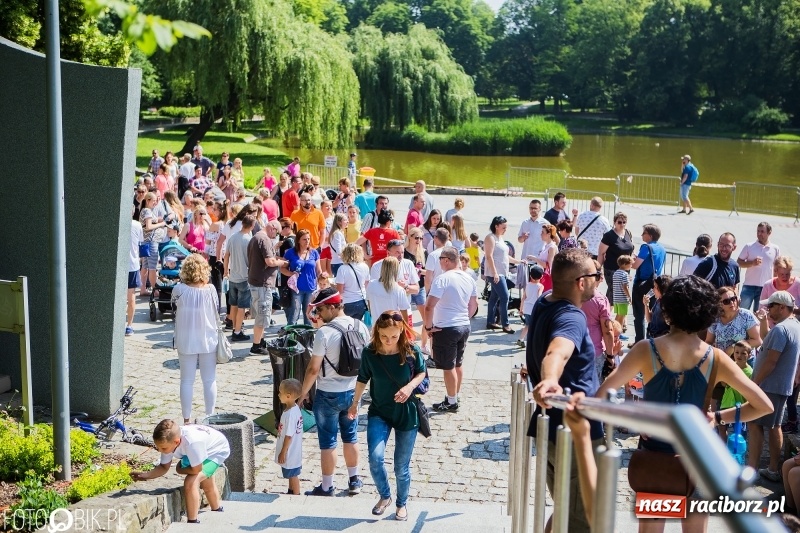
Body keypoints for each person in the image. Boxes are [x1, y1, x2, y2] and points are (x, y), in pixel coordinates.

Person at [559, 276, 772, 532]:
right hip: (697, 457)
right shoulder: (716, 358)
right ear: (707, 314)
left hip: (655, 456)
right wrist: (717, 418)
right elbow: (763, 405)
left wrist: (636, 417)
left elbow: (602, 396)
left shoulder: (646, 350)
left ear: (668, 311)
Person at [528, 248, 605, 533]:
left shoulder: (545, 301)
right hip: (573, 432)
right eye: (596, 275)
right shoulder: (572, 316)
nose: (599, 279)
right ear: (581, 283)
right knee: (580, 521)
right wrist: (550, 379)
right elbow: (557, 352)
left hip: (552, 429)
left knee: (565, 511)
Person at [348, 312, 427, 521]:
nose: (389, 341)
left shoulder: (411, 350)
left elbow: (421, 372)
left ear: (401, 332)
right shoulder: (370, 352)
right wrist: (354, 404)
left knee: (401, 467)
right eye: (384, 336)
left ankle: (401, 503)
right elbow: (362, 378)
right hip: (379, 411)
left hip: (406, 413)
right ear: (377, 333)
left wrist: (409, 387)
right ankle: (385, 496)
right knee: (375, 458)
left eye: (393, 336)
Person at [300, 288, 370, 496]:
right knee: (351, 436)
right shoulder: (360, 326)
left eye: (320, 310)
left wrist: (303, 394)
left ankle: (327, 486)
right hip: (352, 392)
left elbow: (313, 369)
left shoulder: (325, 333)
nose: (319, 315)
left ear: (332, 307)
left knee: (328, 441)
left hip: (327, 393)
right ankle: (354, 480)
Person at [131, 419, 229, 524]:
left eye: (163, 448)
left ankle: (192, 521)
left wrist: (179, 470)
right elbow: (163, 467)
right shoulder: (169, 441)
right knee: (206, 482)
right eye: (158, 447)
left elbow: (197, 469)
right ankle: (217, 508)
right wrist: (145, 475)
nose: (160, 450)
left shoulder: (192, 442)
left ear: (176, 442)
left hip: (216, 451)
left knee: (191, 482)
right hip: (202, 449)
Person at [750, 291, 800, 482]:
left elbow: (771, 361)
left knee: (755, 424)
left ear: (782, 307)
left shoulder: (781, 329)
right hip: (778, 386)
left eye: (771, 306)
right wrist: (764, 321)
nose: (768, 309)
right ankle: (772, 469)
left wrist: (754, 384)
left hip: (769, 386)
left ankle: (752, 470)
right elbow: (767, 341)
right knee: (774, 426)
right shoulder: (793, 325)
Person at [424, 247, 478, 412]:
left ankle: (451, 401)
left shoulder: (442, 279)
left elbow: (429, 306)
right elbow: (474, 304)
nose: (439, 262)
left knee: (448, 367)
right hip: (463, 325)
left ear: (446, 260)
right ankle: (454, 395)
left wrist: (428, 327)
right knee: (457, 363)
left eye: (440, 259)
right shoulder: (469, 278)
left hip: (446, 327)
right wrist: (464, 318)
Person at [171, 254, 220, 423]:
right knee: (209, 379)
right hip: (208, 338)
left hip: (186, 339)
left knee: (186, 381)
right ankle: (209, 416)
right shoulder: (211, 289)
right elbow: (217, 308)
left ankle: (186, 419)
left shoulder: (179, 289)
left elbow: (173, 307)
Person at [247, 220, 286, 356]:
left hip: (256, 281)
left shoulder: (256, 237)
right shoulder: (264, 239)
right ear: (273, 228)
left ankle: (261, 341)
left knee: (260, 315)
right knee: (262, 315)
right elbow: (270, 261)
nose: (276, 236)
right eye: (277, 233)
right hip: (262, 283)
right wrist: (282, 262)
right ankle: (256, 346)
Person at [484, 216, 522, 334]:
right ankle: (505, 324)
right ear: (496, 226)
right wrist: (494, 273)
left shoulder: (500, 237)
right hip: (495, 273)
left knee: (494, 297)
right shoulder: (490, 238)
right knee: (505, 297)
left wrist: (518, 261)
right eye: (503, 227)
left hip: (502, 272)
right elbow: (489, 256)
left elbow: (505, 256)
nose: (506, 229)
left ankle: (490, 321)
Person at [631, 224, 666, 342]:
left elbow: (635, 265)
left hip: (642, 284)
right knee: (653, 314)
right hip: (655, 285)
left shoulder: (646, 247)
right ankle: (652, 339)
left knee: (639, 315)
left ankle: (640, 342)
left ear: (650, 236)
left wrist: (631, 259)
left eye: (644, 233)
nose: (642, 235)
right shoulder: (662, 249)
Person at [282, 229, 323, 326]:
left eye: (308, 239)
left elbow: (318, 270)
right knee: (294, 313)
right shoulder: (290, 253)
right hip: (296, 288)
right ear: (298, 241)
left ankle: (308, 334)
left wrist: (322, 281)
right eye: (304, 239)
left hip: (311, 287)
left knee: (308, 314)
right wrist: (291, 274)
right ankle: (291, 333)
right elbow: (282, 268)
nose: (307, 241)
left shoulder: (314, 253)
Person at [224, 214, 255, 342]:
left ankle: (234, 328)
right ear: (252, 225)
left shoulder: (232, 237)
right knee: (242, 307)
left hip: (233, 277)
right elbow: (251, 260)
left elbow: (226, 255)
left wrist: (226, 271)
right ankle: (237, 331)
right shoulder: (249, 240)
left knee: (234, 304)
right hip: (244, 277)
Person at [737, 222, 781, 312]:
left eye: (762, 231)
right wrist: (752, 263)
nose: (759, 234)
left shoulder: (775, 249)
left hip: (765, 287)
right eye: (758, 231)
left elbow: (777, 268)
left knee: (760, 314)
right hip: (749, 286)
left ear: (769, 233)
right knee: (742, 312)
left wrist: (776, 285)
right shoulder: (749, 246)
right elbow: (739, 262)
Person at [275, 378, 304, 495]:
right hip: (292, 451)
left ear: (288, 396)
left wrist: (283, 452)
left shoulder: (291, 414)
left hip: (290, 452)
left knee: (293, 475)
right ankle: (291, 491)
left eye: (280, 393)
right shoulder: (293, 409)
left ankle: (296, 495)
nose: (278, 395)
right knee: (291, 474)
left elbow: (289, 436)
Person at [597, 212, 635, 301]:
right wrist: (598, 269)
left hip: (625, 269)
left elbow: (631, 248)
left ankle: (612, 307)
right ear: (614, 222)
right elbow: (601, 253)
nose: (622, 224)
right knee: (614, 290)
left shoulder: (628, 233)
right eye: (619, 222)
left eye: (624, 222)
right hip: (612, 269)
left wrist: (632, 258)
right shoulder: (609, 236)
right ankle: (607, 308)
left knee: (621, 290)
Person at [366, 257, 410, 323]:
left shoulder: (371, 284)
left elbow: (370, 304)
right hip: (393, 326)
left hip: (376, 325)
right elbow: (404, 312)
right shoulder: (399, 290)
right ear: (396, 270)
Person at [336, 244, 370, 320]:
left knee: (346, 325)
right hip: (361, 302)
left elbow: (340, 291)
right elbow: (367, 285)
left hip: (347, 302)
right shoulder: (365, 266)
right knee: (357, 325)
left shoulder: (342, 269)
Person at [517, 264, 544, 348]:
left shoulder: (528, 285)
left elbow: (523, 298)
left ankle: (521, 339)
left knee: (527, 325)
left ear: (530, 276)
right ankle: (533, 342)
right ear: (541, 276)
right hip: (534, 309)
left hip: (526, 309)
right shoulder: (540, 286)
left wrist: (521, 309)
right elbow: (539, 297)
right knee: (535, 326)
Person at [127, 212, 143, 336]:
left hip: (128, 264)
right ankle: (129, 325)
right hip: (132, 264)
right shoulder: (137, 225)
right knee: (131, 295)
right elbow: (140, 243)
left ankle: (127, 325)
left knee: (127, 296)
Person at [643, 275, 672, 340]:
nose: (653, 289)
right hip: (651, 336)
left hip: (660, 339)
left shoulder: (667, 305)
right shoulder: (658, 301)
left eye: (655, 287)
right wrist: (646, 305)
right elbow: (649, 320)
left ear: (662, 288)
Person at [532, 224, 558, 293]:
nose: (541, 234)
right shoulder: (546, 245)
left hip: (547, 278)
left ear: (549, 234)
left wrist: (535, 259)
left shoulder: (552, 247)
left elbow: (548, 265)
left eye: (543, 232)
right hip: (542, 275)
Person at [612, 255, 633, 335]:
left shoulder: (616, 273)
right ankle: (618, 333)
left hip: (616, 298)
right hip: (623, 299)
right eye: (630, 264)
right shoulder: (625, 274)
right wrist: (629, 297)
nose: (631, 266)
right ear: (624, 264)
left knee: (618, 316)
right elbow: (625, 287)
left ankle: (614, 331)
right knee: (622, 317)